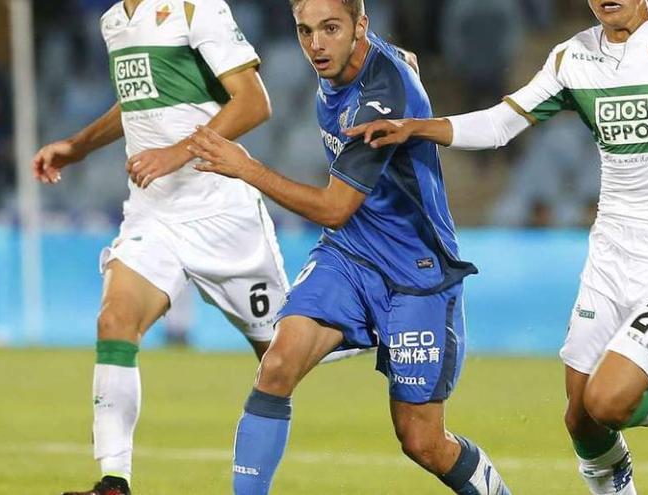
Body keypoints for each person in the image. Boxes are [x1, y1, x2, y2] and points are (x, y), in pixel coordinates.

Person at [346, 0, 648, 493]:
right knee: (580, 418)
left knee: (607, 402)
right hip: (611, 257)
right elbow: (501, 124)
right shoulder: (573, 58)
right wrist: (417, 127)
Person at [186, 0, 512, 493]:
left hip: (415, 273)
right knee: (276, 365)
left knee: (422, 440)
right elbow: (394, 59)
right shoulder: (347, 58)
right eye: (305, 31)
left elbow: (334, 207)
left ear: (361, 26)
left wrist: (245, 167)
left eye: (330, 29)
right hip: (350, 255)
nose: (316, 44)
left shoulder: (381, 96)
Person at [32, 1, 286, 493]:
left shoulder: (197, 8)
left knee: (285, 358)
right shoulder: (113, 22)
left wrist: (178, 152)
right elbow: (136, 105)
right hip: (154, 212)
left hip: (221, 212)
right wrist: (77, 146)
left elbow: (255, 102)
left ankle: (385, 326)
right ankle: (114, 480)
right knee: (115, 320)